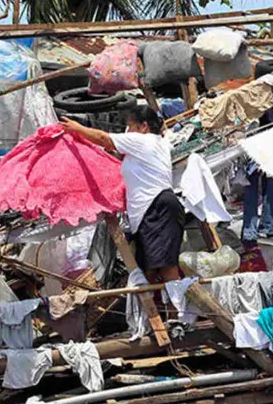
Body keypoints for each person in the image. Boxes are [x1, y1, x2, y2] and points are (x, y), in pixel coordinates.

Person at [60, 106, 184, 284]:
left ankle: (182, 311)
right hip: (149, 212)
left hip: (157, 208)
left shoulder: (144, 141)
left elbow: (104, 139)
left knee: (166, 269)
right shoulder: (151, 145)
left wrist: (76, 128)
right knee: (148, 271)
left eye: (130, 126)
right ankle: (160, 310)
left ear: (143, 126)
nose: (128, 131)